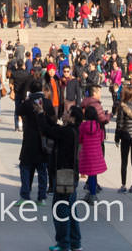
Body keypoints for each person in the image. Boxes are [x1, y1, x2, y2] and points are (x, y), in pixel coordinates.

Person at [40, 102, 85, 251]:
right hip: (71, 174)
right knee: (71, 210)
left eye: (67, 112)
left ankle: (64, 243)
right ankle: (75, 242)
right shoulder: (72, 130)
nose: (64, 113)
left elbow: (48, 131)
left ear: (72, 118)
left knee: (60, 210)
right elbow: (54, 127)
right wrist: (43, 113)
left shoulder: (67, 132)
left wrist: (40, 115)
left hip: (64, 175)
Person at [78, 87, 110, 200]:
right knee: (93, 173)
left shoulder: (82, 126)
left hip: (87, 152)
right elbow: (101, 138)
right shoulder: (98, 127)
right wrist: (108, 115)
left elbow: (80, 139)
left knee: (90, 173)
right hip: (96, 152)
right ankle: (93, 193)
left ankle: (91, 193)